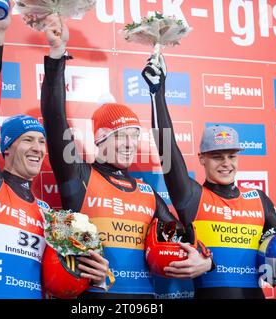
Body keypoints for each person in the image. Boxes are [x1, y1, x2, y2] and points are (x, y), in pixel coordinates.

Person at [39, 15, 213, 299]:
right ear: (100, 138)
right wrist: (57, 55)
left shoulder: (146, 193)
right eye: (121, 135)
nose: (130, 144)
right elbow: (55, 118)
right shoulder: (79, 175)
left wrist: (206, 260)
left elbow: (182, 239)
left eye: (135, 136)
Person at [142, 54, 276, 299]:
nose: (226, 164)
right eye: (217, 156)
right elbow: (167, 150)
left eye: (232, 156)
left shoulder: (258, 199)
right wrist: (157, 93)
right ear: (202, 158)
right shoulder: (192, 196)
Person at [0, 1, 108, 299]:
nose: (39, 148)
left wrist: (100, 273)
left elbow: (79, 272)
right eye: (28, 139)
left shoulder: (49, 216)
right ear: (7, 147)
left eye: (42, 141)